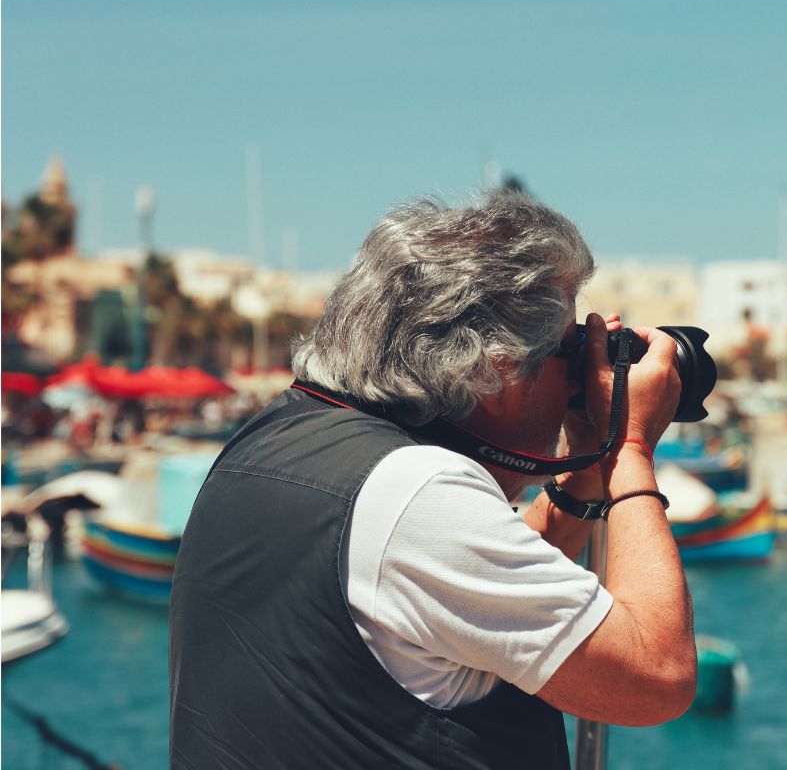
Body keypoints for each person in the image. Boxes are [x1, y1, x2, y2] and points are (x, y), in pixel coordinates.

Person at [168, 191, 696, 769]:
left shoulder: (275, 437)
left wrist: (587, 465)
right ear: (497, 369)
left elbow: (487, 591)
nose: (580, 373)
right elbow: (656, 677)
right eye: (570, 350)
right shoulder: (414, 494)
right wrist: (629, 445)